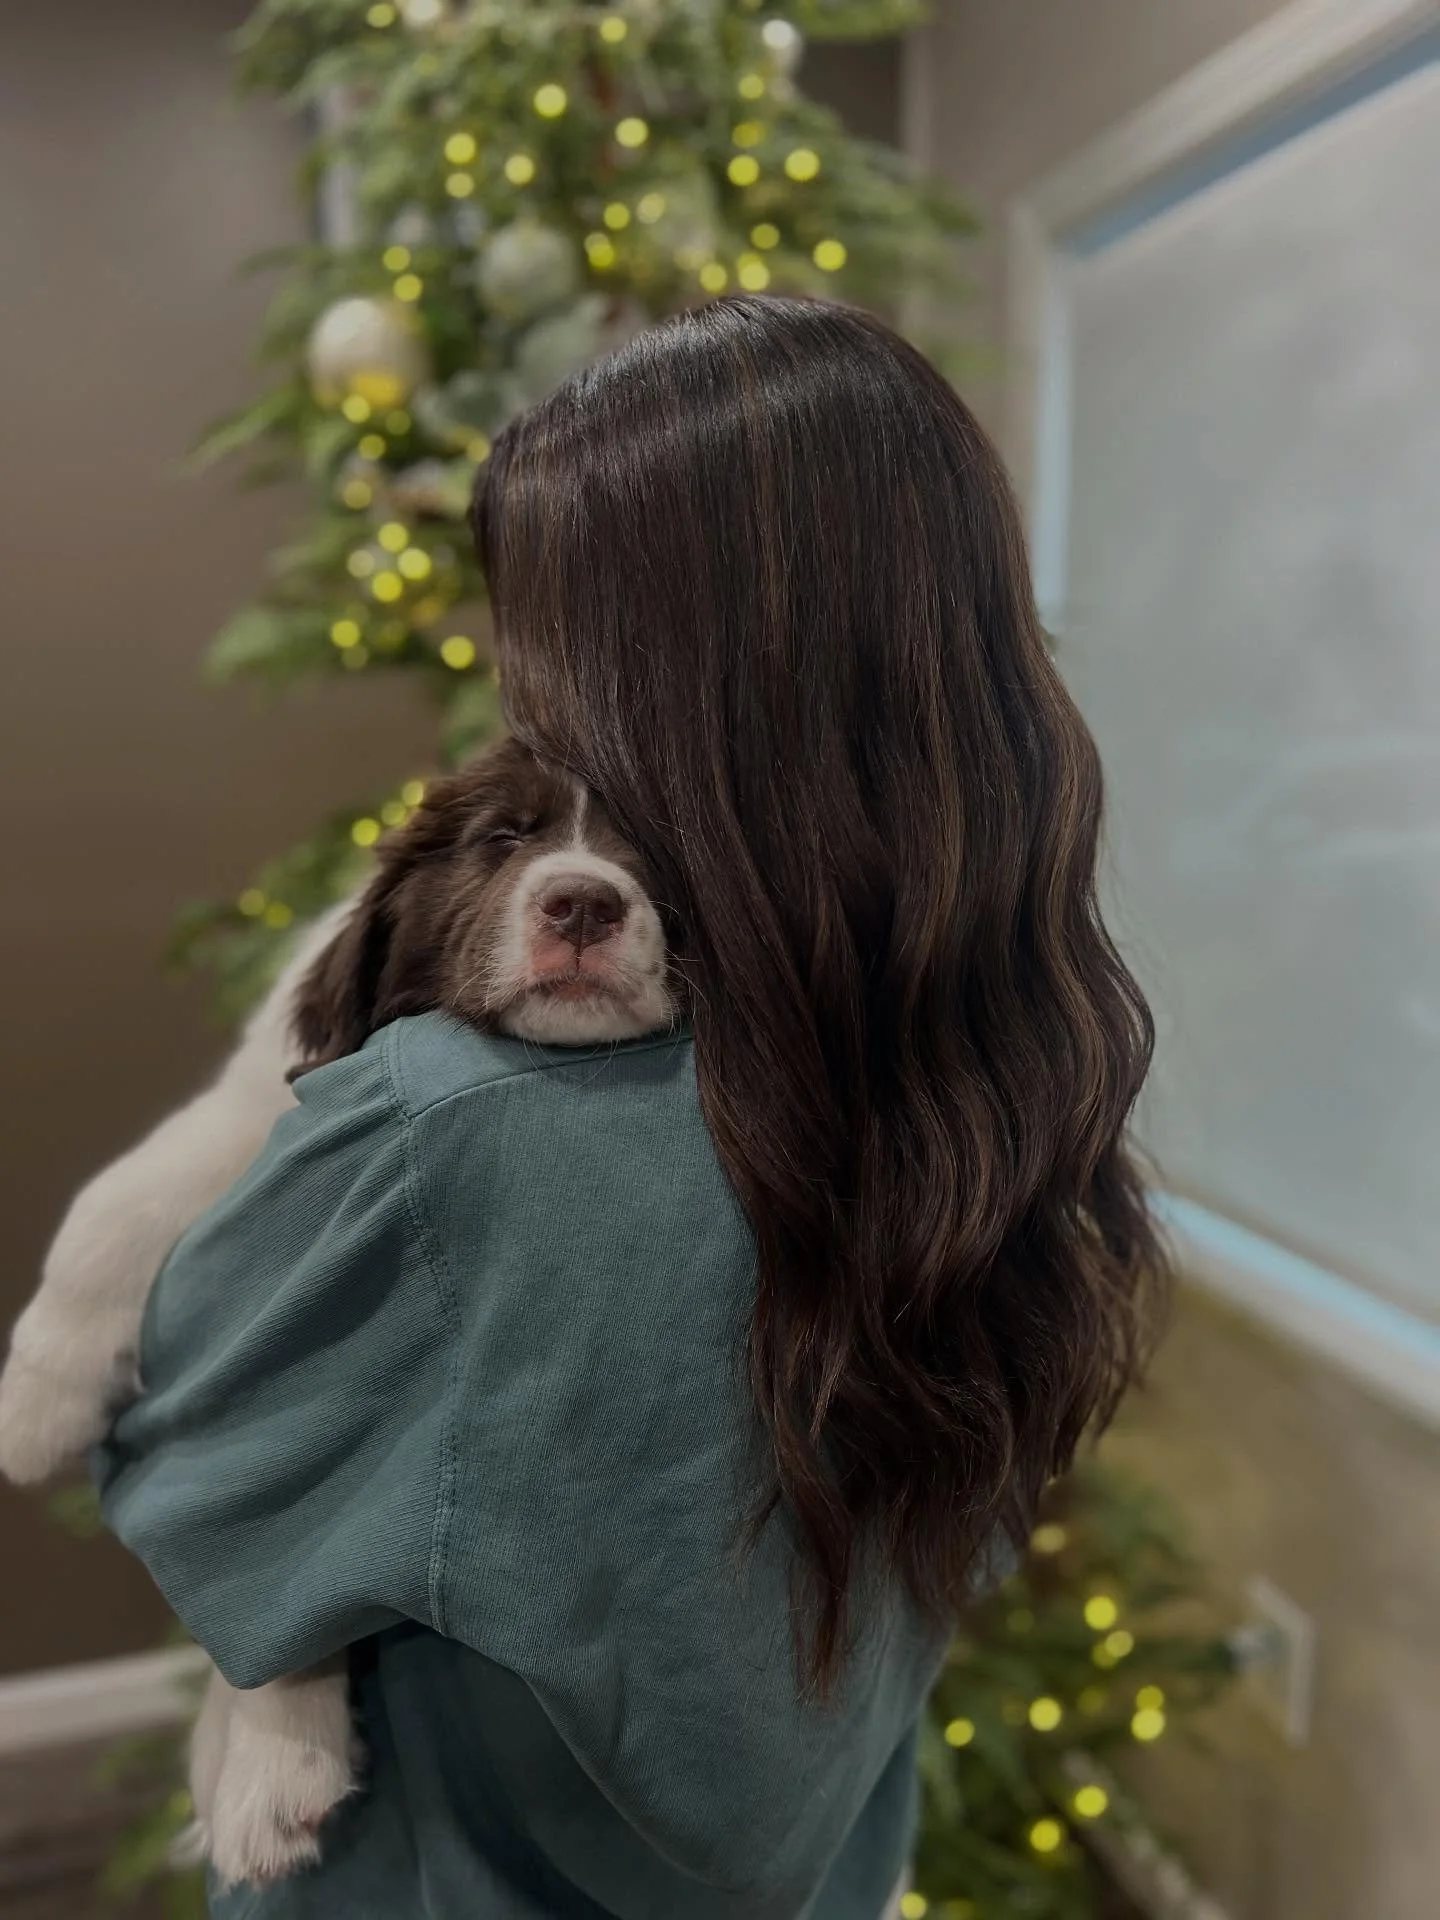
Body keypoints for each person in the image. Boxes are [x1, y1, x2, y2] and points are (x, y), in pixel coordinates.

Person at [95, 295, 1169, 1919]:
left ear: (667, 681)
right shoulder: (980, 1106)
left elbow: (184, 1456)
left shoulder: (465, 1126)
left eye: (545, 638)